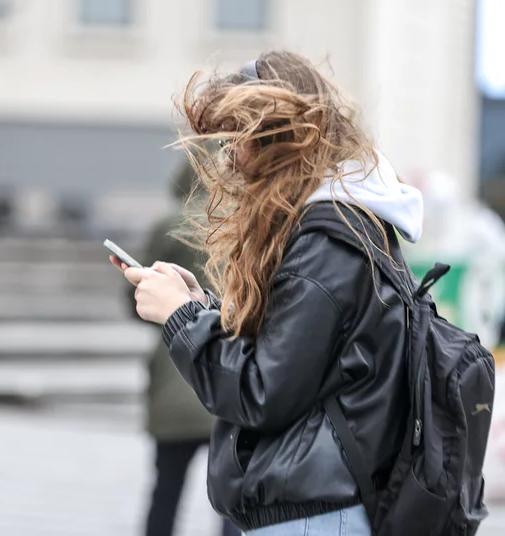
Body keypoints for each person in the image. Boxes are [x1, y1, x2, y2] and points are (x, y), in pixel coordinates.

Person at [112, 51, 424, 535]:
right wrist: (199, 308)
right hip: (322, 504)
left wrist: (179, 319)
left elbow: (262, 393)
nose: (231, 157)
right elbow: (293, 357)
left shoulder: (324, 242)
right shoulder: (341, 226)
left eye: (238, 137)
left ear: (278, 136)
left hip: (316, 514)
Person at [133, 162, 240, 536]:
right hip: (226, 377)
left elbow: (136, 302)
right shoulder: (240, 221)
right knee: (232, 500)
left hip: (173, 374)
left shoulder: (169, 223)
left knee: (166, 491)